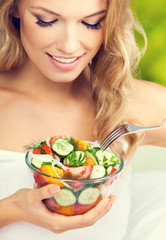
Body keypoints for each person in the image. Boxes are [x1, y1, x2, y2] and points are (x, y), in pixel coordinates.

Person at [0, 0, 165, 239]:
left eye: (91, 23)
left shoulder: (128, 103)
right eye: (46, 21)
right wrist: (12, 209)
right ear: (15, 9)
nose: (69, 45)